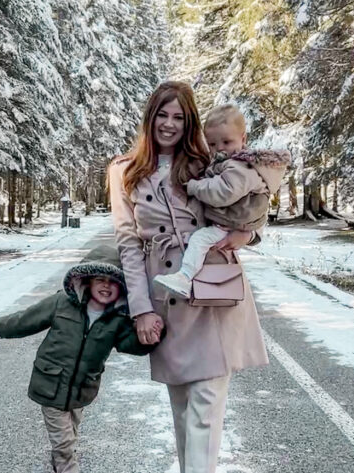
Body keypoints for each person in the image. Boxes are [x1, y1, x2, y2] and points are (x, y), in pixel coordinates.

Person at [108, 81, 269, 473]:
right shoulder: (123, 171)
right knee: (183, 410)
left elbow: (251, 198)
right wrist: (141, 310)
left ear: (190, 121)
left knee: (205, 408)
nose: (169, 124)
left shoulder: (205, 163)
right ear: (150, 118)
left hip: (214, 291)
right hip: (167, 298)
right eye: (162, 115)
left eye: (179, 117)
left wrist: (248, 233)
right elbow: (128, 245)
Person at [0, 244, 158, 473]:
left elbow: (131, 345)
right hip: (50, 383)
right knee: (64, 443)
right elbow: (27, 319)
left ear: (122, 287)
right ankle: (67, 465)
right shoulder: (62, 303)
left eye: (112, 281)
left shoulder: (117, 319)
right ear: (87, 280)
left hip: (81, 389)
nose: (105, 286)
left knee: (70, 436)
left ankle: (61, 463)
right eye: (100, 279)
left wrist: (150, 337)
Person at [153, 104, 289, 298]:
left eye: (226, 142)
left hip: (224, 241)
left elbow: (230, 193)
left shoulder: (238, 166)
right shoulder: (224, 162)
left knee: (199, 240)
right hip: (220, 230)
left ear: (243, 139)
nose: (219, 149)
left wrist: (249, 234)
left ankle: (184, 276)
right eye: (213, 144)